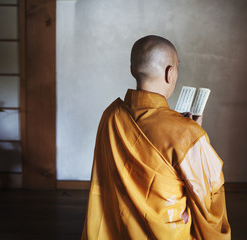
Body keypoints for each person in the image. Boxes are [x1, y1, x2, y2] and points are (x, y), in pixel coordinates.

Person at [81, 35, 231, 239]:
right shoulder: (187, 133)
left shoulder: (111, 115)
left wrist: (190, 133)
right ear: (170, 73)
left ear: (132, 70)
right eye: (177, 67)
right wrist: (193, 137)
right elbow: (208, 199)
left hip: (119, 229)